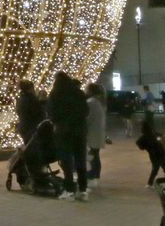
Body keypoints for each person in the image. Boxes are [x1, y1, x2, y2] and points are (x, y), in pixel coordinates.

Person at [47, 72, 87, 200]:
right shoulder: (79, 93)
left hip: (63, 132)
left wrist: (59, 121)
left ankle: (69, 190)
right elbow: (86, 111)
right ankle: (83, 190)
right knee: (80, 160)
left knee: (67, 161)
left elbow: (51, 113)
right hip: (79, 131)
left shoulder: (55, 94)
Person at [84, 83, 107, 197]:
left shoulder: (91, 103)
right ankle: (95, 177)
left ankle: (92, 177)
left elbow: (87, 119)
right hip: (98, 134)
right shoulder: (99, 102)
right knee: (95, 156)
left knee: (91, 157)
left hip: (92, 135)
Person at [136, 113, 165, 185]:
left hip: (154, 155)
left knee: (155, 169)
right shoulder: (151, 134)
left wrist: (145, 147)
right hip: (160, 154)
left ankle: (150, 183)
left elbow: (139, 144)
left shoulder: (145, 136)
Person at [15, 79, 43, 145]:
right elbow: (37, 113)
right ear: (30, 89)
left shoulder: (20, 99)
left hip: (23, 127)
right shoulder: (32, 100)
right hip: (32, 128)